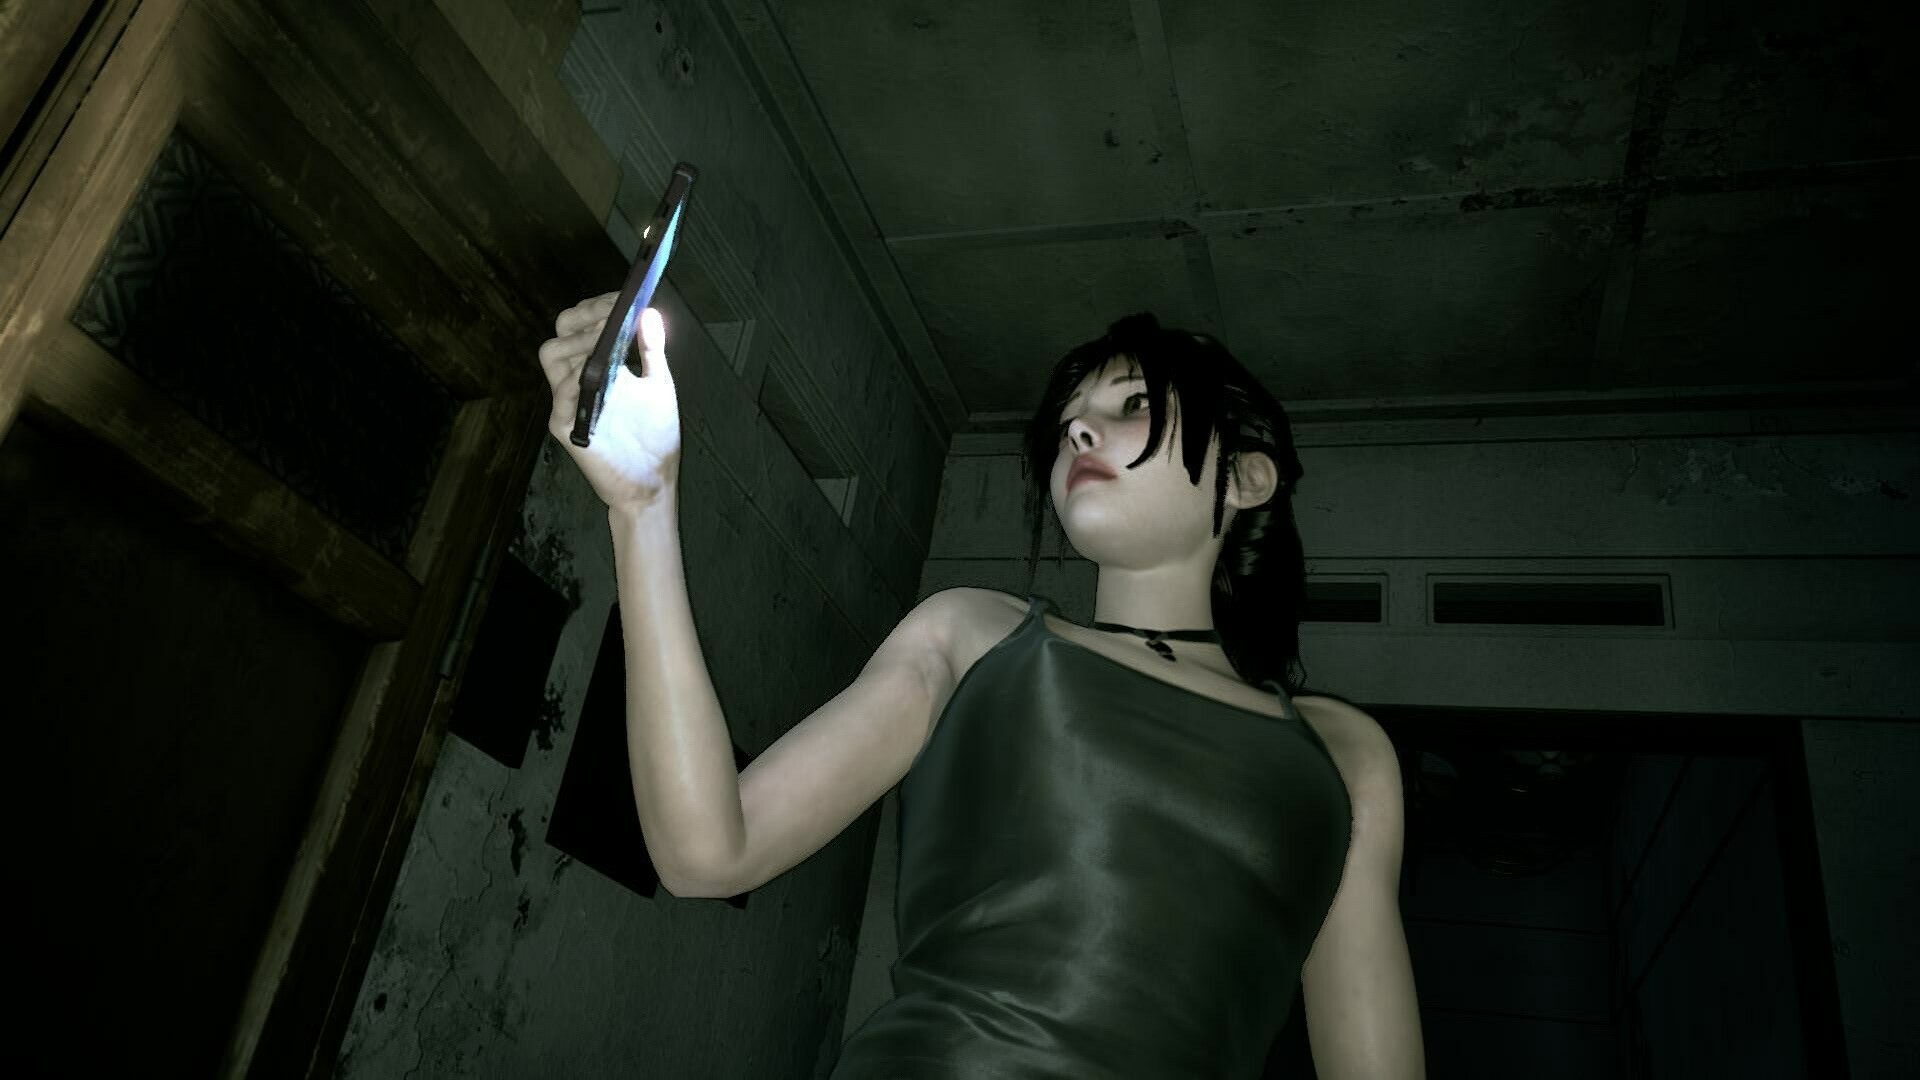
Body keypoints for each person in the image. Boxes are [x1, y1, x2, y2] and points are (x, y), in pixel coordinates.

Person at [537, 298, 1425, 1078]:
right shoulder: (973, 634)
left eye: (1133, 405)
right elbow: (708, 852)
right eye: (1071, 419)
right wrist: (644, 509)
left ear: (1245, 477)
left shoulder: (1343, 757)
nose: (1079, 431)